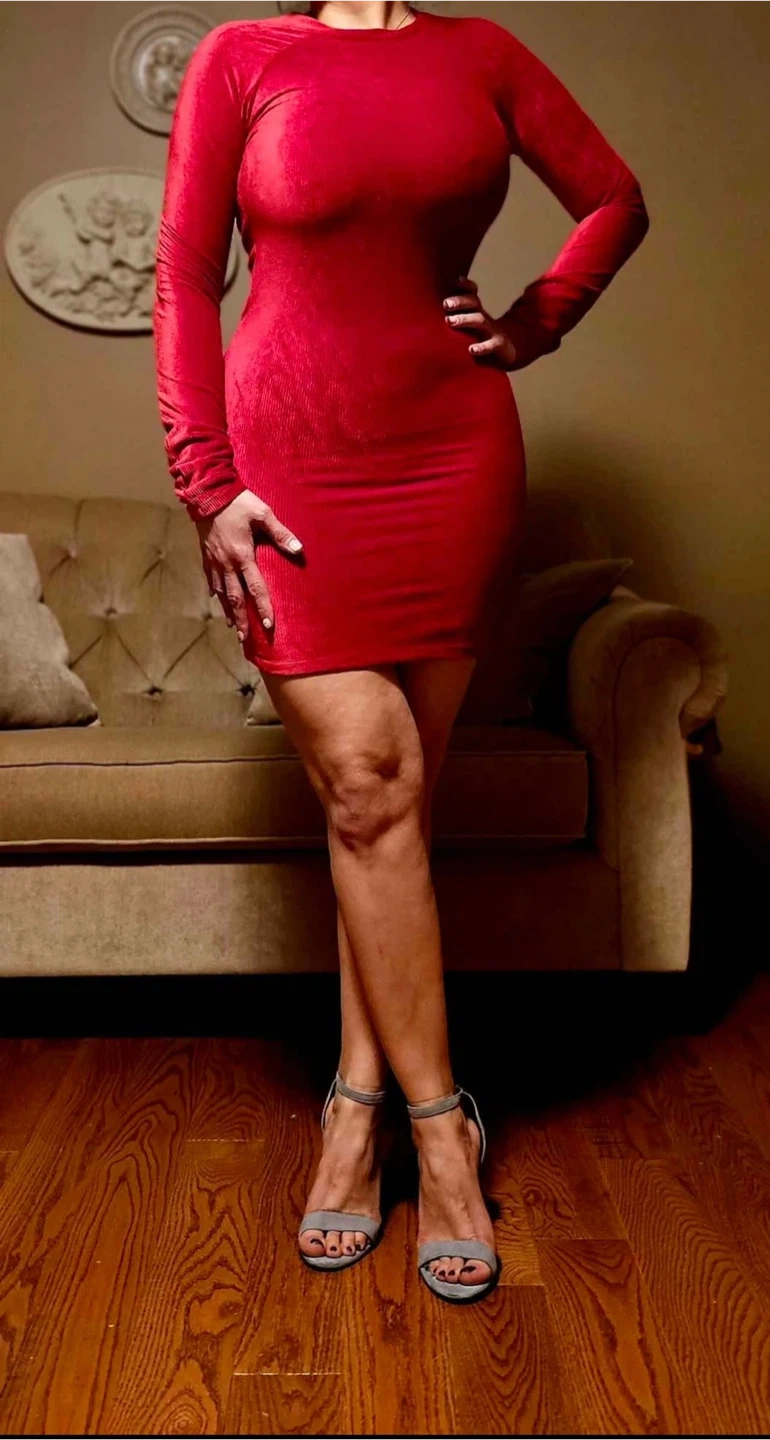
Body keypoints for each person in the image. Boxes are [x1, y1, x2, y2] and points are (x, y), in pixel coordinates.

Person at [153, 0, 649, 1305]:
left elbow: (614, 199)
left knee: (388, 813)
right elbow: (181, 274)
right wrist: (207, 481)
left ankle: (354, 1102)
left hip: (451, 456)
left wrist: (537, 319)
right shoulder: (244, 57)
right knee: (371, 789)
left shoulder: (479, 52)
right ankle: (441, 1135)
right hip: (288, 461)